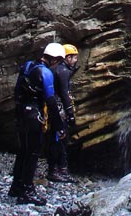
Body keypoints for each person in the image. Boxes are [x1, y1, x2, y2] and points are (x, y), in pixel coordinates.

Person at [9, 43, 67, 206]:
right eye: (59, 61)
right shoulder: (46, 73)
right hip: (33, 115)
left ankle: (16, 186)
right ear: (54, 59)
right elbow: (51, 101)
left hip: (21, 111)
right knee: (33, 152)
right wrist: (59, 127)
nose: (59, 64)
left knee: (23, 151)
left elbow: (17, 90)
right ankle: (27, 190)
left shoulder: (28, 65)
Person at [46, 43, 80, 183]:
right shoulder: (63, 71)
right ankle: (57, 170)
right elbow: (65, 95)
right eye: (74, 58)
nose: (76, 60)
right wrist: (70, 114)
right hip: (58, 110)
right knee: (60, 139)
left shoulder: (55, 69)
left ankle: (58, 169)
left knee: (58, 140)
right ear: (67, 57)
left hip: (53, 109)